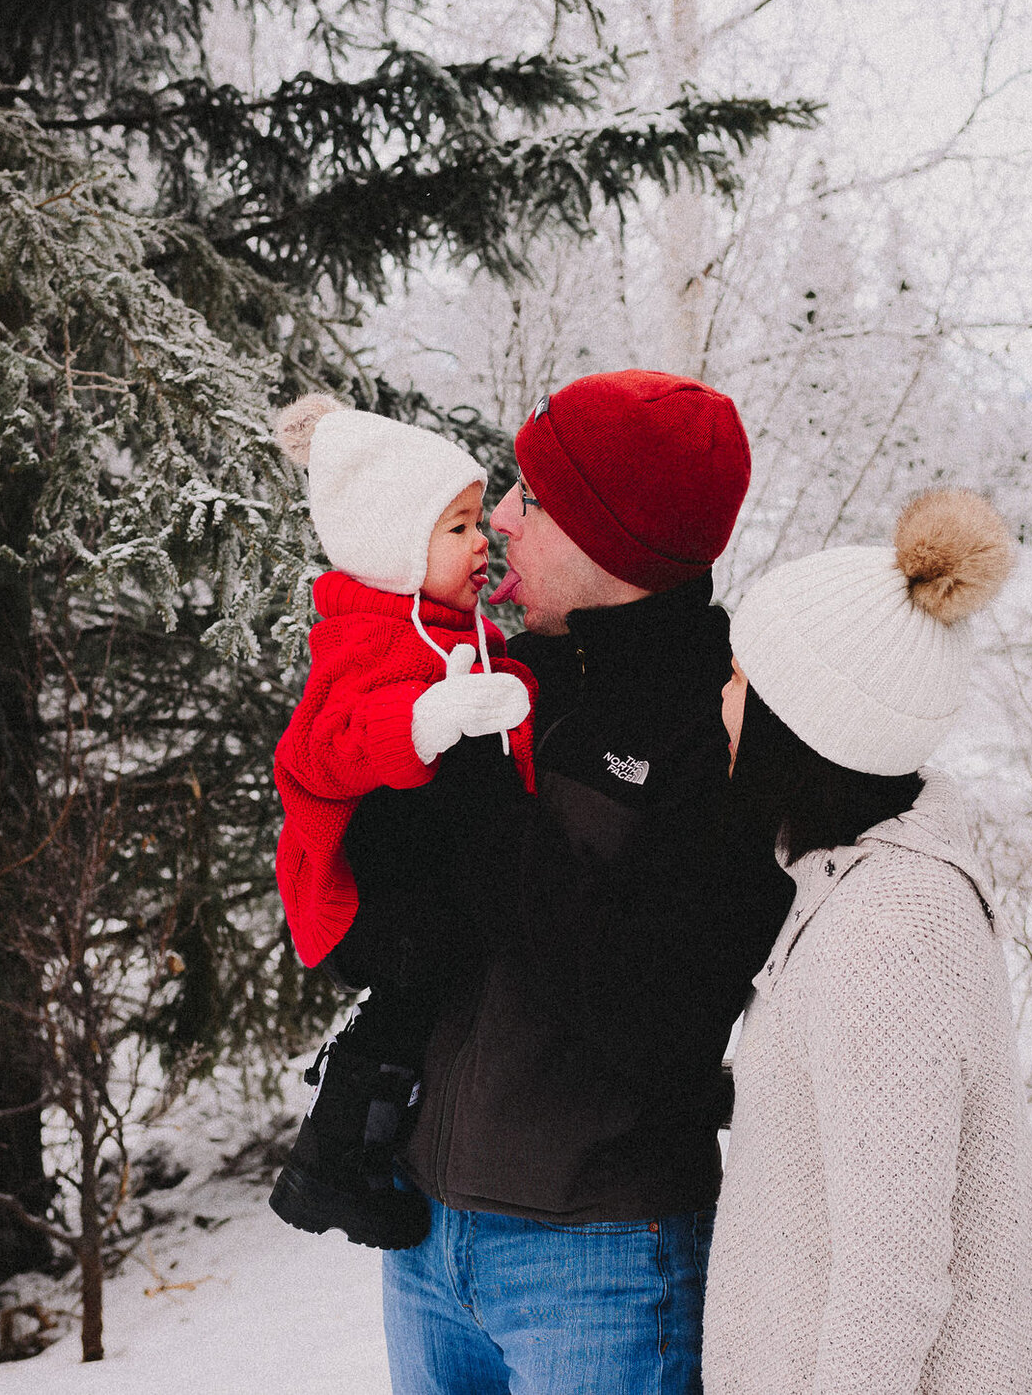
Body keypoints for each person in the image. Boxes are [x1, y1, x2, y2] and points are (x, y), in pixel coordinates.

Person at [384, 369, 791, 1395]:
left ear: (613, 538)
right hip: (425, 1238)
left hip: (601, 1259)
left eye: (532, 496)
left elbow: (659, 1018)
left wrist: (479, 803)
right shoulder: (512, 676)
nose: (503, 519)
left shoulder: (721, 732)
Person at [703, 489, 1032, 1395]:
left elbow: (893, 1273)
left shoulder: (889, 929)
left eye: (735, 679)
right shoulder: (844, 891)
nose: (717, 702)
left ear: (797, 723)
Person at [266, 395, 539, 1250]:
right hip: (366, 889)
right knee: (413, 993)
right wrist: (423, 719)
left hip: (422, 881)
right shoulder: (363, 634)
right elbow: (318, 749)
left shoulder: (460, 628)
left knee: (424, 1007)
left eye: (477, 521)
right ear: (395, 542)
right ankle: (329, 1163)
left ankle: (359, 1155)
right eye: (457, 526)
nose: (482, 540)